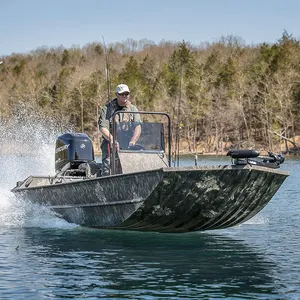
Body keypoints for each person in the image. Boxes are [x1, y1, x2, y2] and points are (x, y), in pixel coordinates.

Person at [98, 84, 142, 176]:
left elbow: (138, 126)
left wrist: (133, 141)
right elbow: (103, 127)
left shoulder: (133, 109)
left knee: (132, 169)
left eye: (126, 94)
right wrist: (112, 140)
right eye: (122, 94)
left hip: (127, 144)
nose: (125, 96)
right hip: (111, 145)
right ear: (117, 94)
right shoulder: (107, 109)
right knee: (108, 168)